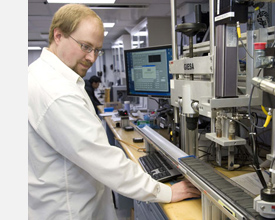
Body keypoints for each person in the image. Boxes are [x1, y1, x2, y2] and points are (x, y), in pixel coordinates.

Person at [28, 4, 201, 220]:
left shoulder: (41, 74)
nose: (92, 58)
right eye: (85, 46)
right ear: (59, 35)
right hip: (68, 210)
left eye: (97, 50)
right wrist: (166, 191)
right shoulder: (56, 91)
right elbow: (105, 162)